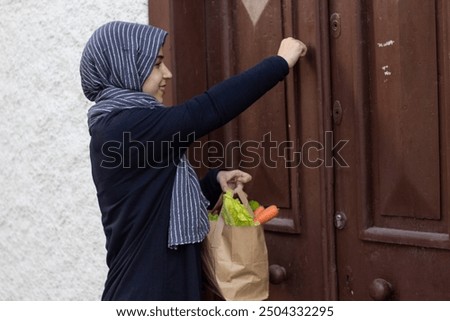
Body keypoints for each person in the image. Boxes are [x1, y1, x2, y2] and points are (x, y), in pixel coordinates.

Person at [80, 21, 306, 301]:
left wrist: (213, 183)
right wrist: (280, 62)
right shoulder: (126, 127)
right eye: (157, 64)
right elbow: (208, 109)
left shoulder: (122, 125)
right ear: (127, 65)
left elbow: (154, 206)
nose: (168, 73)